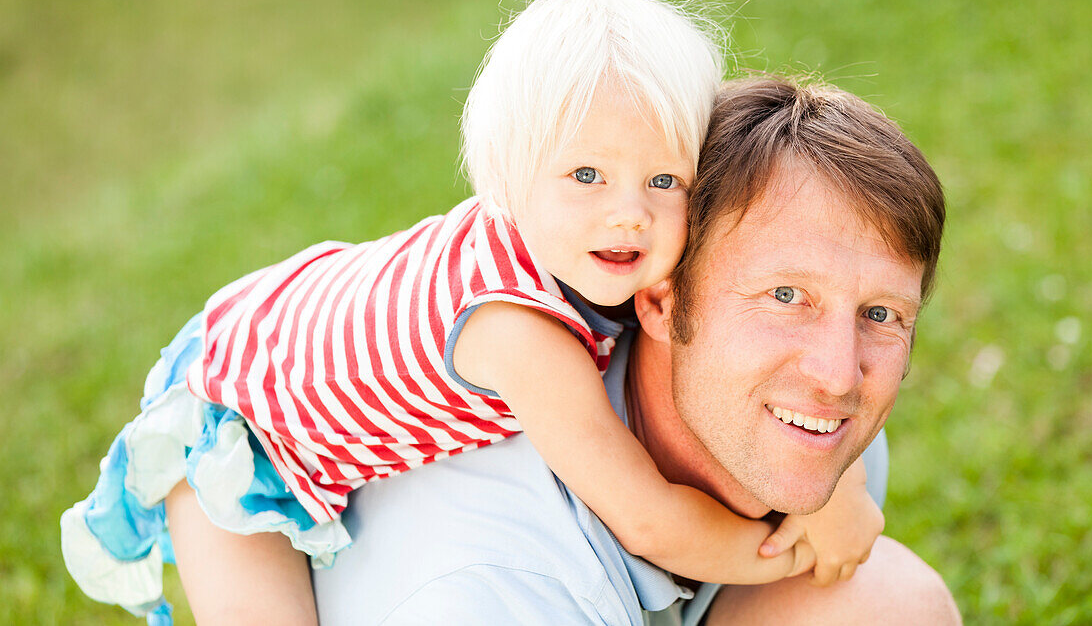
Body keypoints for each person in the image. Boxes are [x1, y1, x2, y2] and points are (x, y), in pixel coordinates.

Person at [61, 0, 883, 625]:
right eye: (586, 175)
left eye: (663, 178)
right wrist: (799, 542)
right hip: (236, 410)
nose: (627, 210)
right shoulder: (517, 333)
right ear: (508, 177)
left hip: (288, 318)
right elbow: (648, 520)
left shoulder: (598, 247)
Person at [312, 76, 963, 624]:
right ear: (659, 300)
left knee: (891, 606)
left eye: (880, 313)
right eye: (786, 295)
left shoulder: (812, 443)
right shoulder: (497, 590)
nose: (836, 375)